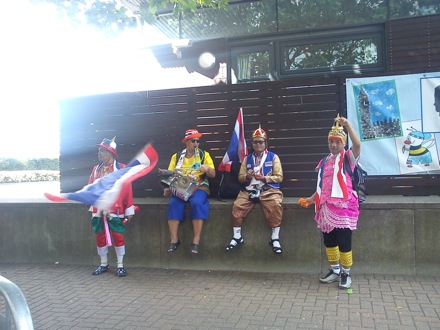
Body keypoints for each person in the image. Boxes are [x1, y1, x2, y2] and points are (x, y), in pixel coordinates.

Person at [299, 114, 361, 289]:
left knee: (344, 240)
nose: (334, 145)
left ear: (343, 143)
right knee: (329, 240)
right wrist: (311, 199)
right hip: (325, 207)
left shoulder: (349, 157)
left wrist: (348, 126)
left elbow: (357, 145)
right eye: (331, 141)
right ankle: (335, 270)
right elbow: (323, 185)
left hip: (344, 207)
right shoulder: (325, 160)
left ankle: (346, 274)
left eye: (338, 142)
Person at [225, 125, 284, 255]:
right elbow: (240, 178)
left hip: (268, 189)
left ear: (265, 143)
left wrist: (264, 178)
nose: (258, 144)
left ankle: (274, 237)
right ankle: (237, 236)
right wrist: (247, 176)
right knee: (237, 205)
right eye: (255, 142)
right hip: (250, 189)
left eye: (261, 142)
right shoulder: (248, 158)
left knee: (275, 204)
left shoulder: (273, 157)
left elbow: (279, 177)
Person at [163, 129, 216, 255]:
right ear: (186, 142)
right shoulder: (176, 157)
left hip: (199, 186)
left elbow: (213, 174)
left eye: (198, 141)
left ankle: (196, 240)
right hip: (181, 187)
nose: (196, 143)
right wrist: (169, 188)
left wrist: (207, 168)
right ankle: (174, 240)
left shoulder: (204, 155)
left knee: (197, 203)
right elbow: (170, 175)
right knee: (173, 204)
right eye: (193, 141)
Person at [88, 137, 135, 277]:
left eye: (102, 150)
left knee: (118, 235)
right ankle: (103, 263)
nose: (99, 153)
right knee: (100, 236)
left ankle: (120, 264)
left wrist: (129, 209)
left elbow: (128, 189)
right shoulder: (96, 169)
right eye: (99, 151)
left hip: (116, 208)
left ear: (110, 153)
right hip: (98, 209)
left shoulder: (121, 169)